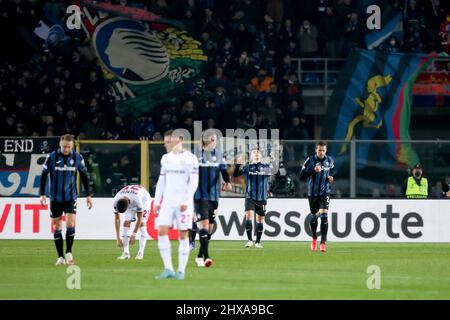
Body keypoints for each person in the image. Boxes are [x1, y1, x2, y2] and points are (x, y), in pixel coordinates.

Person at [39, 134, 93, 266]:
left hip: (70, 197)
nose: (66, 149)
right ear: (60, 144)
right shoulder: (51, 157)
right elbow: (44, 175)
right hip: (55, 198)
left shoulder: (78, 157)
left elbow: (84, 176)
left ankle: (68, 252)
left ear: (72, 146)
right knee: (57, 226)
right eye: (64, 147)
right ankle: (60, 256)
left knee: (70, 224)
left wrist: (88, 195)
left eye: (69, 147)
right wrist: (42, 194)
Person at [153, 130, 199, 280]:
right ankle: (168, 268)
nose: (165, 144)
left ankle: (181, 270)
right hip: (167, 202)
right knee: (161, 231)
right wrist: (157, 200)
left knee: (183, 234)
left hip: (183, 203)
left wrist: (187, 200)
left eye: (168, 142)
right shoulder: (165, 158)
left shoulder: (191, 159)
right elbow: (161, 181)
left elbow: (193, 182)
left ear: (178, 140)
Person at [192, 131, 232, 267]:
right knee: (203, 225)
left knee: (209, 229)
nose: (215, 142)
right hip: (199, 196)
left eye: (215, 139)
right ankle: (207, 258)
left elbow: (224, 171)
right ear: (205, 140)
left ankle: (198, 256)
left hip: (214, 197)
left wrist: (228, 182)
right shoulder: (195, 155)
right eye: (213, 139)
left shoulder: (218, 155)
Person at [233, 147, 272, 249]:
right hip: (249, 196)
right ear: (251, 156)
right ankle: (250, 240)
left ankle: (258, 242)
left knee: (260, 220)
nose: (256, 154)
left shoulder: (266, 166)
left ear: (261, 156)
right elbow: (235, 174)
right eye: (254, 153)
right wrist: (238, 164)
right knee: (249, 216)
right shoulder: (247, 167)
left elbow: (273, 172)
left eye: (258, 153)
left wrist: (272, 160)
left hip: (262, 197)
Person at [300, 141, 334, 253]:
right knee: (314, 217)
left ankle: (323, 242)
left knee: (324, 216)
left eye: (324, 150)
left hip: (325, 192)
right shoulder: (310, 160)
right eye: (320, 150)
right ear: (316, 150)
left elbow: (332, 172)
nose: (322, 152)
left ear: (326, 150)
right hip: (313, 194)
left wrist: (331, 178)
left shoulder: (330, 160)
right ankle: (314, 238)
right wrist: (313, 171)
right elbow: (301, 176)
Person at [113, 185, 152, 260]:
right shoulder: (115, 200)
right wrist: (117, 238)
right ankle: (126, 253)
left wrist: (134, 234)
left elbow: (139, 217)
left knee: (142, 224)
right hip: (130, 196)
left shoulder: (138, 200)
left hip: (144, 199)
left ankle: (140, 253)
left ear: (128, 206)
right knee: (126, 223)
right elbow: (117, 219)